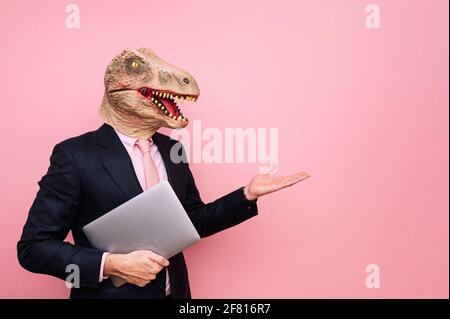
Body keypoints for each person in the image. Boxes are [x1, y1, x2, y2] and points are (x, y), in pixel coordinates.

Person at [17, 48, 310, 299]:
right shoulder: (75, 155)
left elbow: (191, 220)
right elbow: (34, 248)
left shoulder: (173, 150)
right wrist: (112, 264)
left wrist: (247, 194)